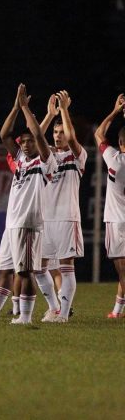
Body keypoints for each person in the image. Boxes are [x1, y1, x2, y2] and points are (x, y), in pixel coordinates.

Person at [0, 84, 57, 324]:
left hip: (28, 222)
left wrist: (26, 109)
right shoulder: (21, 158)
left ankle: (25, 317)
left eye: (28, 141)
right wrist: (15, 106)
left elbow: (40, 135)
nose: (23, 144)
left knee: (25, 271)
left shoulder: (46, 162)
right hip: (12, 222)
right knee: (5, 271)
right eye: (22, 141)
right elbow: (3, 135)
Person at [36, 91, 86, 322]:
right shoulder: (46, 157)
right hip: (45, 219)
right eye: (55, 132)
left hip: (67, 217)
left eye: (61, 132)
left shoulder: (78, 157)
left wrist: (64, 110)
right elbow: (36, 136)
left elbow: (73, 141)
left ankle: (63, 315)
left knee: (66, 267)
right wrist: (49, 115)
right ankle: (54, 308)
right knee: (39, 267)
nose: (57, 136)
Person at [93, 94, 125, 319]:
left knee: (123, 271)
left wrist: (115, 111)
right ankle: (117, 311)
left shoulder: (114, 158)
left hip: (117, 221)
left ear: (120, 143)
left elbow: (98, 134)